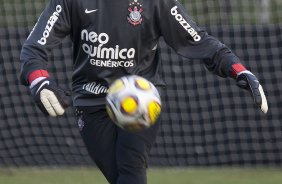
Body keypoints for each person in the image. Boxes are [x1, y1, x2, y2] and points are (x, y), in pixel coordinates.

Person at [19, 0, 268, 183]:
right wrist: (39, 81)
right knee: (119, 176)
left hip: (142, 100)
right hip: (91, 102)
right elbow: (34, 48)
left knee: (131, 168)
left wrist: (238, 69)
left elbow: (199, 41)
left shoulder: (158, 3)